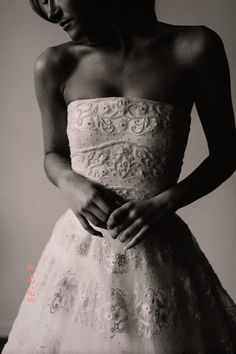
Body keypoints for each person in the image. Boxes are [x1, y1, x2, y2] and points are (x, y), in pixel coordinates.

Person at [3, 0, 236, 353]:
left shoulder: (196, 48)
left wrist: (165, 203)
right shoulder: (55, 64)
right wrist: (69, 181)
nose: (49, 12)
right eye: (40, 2)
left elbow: (227, 153)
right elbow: (52, 154)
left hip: (157, 251)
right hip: (79, 256)